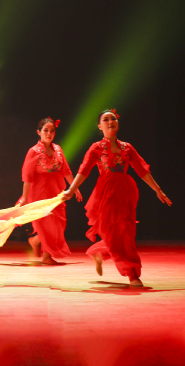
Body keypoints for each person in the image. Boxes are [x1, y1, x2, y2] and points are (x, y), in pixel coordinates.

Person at [61, 110, 172, 286]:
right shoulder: (97, 147)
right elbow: (84, 170)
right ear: (100, 126)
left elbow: (142, 170)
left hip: (125, 193)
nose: (110, 121)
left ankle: (106, 256)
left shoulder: (127, 147)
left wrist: (158, 190)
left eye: (113, 118)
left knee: (126, 233)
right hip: (106, 193)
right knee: (112, 231)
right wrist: (71, 189)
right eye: (105, 119)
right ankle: (130, 271)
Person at [19, 118, 80, 264]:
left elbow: (66, 171)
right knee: (46, 225)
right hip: (39, 192)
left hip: (56, 191)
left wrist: (74, 188)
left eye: (52, 130)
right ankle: (47, 257)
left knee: (57, 225)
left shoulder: (58, 149)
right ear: (39, 132)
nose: (49, 133)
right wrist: (24, 197)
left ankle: (35, 241)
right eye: (45, 130)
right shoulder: (33, 151)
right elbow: (27, 177)